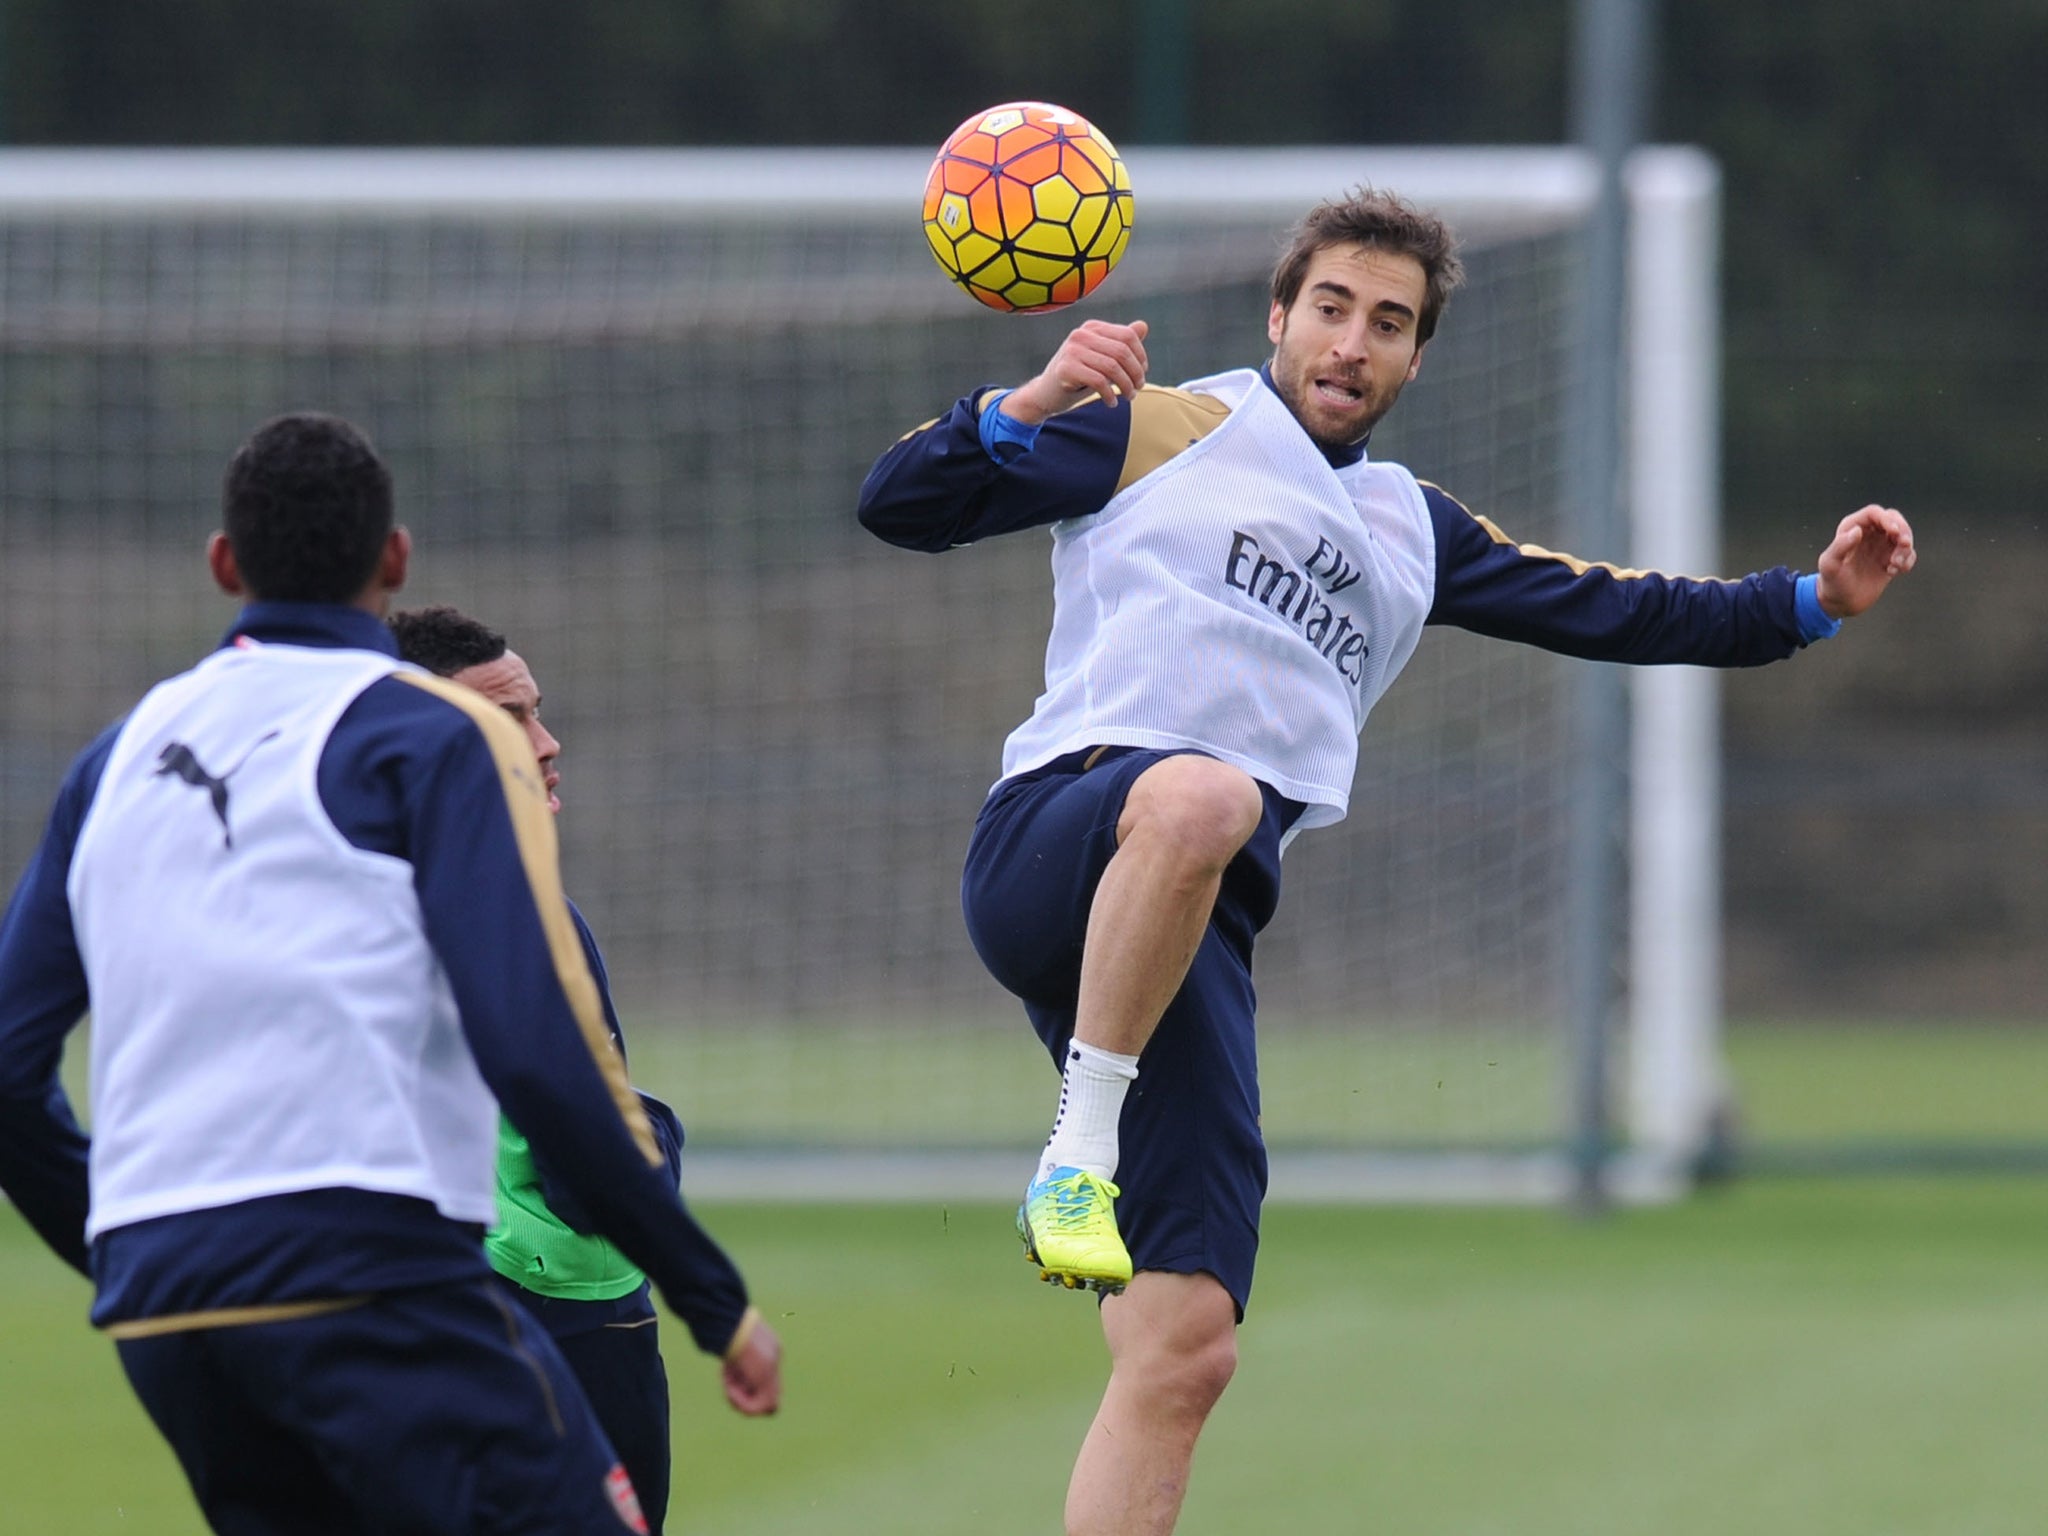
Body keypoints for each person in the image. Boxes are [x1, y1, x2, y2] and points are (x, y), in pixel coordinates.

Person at [856, 188, 1914, 1536]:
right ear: (1280, 316)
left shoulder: (1417, 531)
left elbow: (1623, 607)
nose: (1354, 343)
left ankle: (1097, 1143)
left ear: (1418, 357)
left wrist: (1814, 601)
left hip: (1192, 931)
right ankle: (1079, 1147)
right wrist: (1031, 400)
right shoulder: (1160, 426)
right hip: (1056, 843)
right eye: (1335, 309)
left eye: (1391, 324)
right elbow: (900, 504)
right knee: (1201, 793)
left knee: (1184, 1348)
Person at [0, 413, 780, 1536]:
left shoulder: (115, 753)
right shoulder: (431, 736)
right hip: (369, 1275)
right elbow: (528, 1043)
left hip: (165, 1305)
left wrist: (128, 1235)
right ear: (395, 558)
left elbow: (9, 1066)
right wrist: (709, 1293)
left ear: (224, 564)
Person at [388, 603, 693, 1535]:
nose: (547, 743)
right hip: (556, 1305)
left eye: (536, 711)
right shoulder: (520, 910)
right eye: (509, 718)